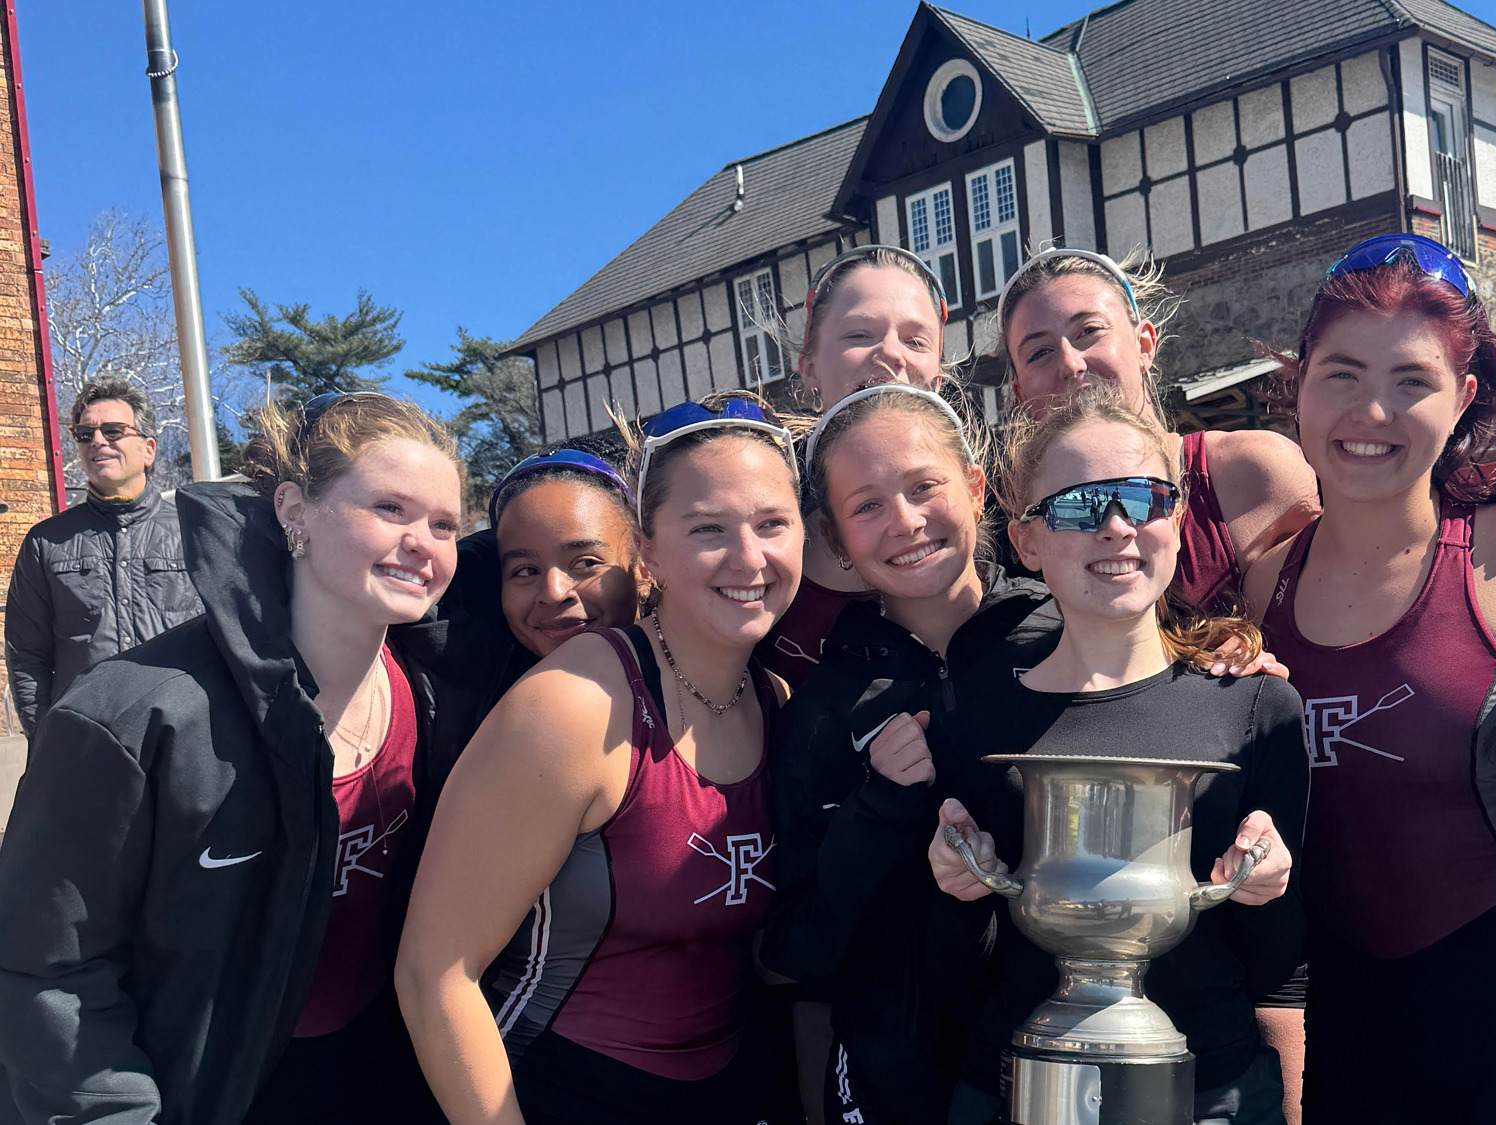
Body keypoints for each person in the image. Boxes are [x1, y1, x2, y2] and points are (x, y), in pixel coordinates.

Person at [0, 391, 462, 1124]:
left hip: (381, 1075)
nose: (424, 542)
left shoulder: (438, 694)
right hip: (203, 1093)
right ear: (294, 511)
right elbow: (47, 969)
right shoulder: (127, 715)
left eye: (444, 524)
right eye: (391, 509)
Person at [1240, 234, 1496, 1123]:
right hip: (1352, 1031)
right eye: (1344, 375)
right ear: (1302, 384)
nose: (1373, 412)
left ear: (1462, 397)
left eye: (1412, 383)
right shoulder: (1260, 581)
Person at [396, 395, 805, 1125]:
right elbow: (434, 974)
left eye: (772, 523)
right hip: (555, 1088)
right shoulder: (572, 704)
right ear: (647, 552)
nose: (749, 557)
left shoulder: (778, 701)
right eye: (707, 528)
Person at [928, 385, 1308, 1125]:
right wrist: (953, 888)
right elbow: (958, 972)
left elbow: (1281, 967)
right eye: (1077, 505)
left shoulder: (1258, 708)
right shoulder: (973, 721)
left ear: (1179, 516)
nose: (1116, 527)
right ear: (1028, 540)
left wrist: (1268, 884)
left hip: (1214, 1095)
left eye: (1144, 498)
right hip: (1015, 1091)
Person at [764, 383, 1061, 1124]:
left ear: (975, 485)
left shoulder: (1068, 634)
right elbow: (798, 947)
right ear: (833, 540)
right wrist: (879, 805)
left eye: (924, 486)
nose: (904, 520)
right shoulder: (825, 708)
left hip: (1065, 1057)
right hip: (898, 1081)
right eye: (866, 506)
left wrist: (1221, 655)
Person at [994, 248, 1496, 613]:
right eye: (1039, 351)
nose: (1071, 362)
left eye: (1089, 331)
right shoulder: (1012, 531)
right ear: (1018, 388)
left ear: (1145, 343)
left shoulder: (1251, 473)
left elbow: (1379, 540)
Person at [757, 245, 955, 688]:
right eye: (860, 335)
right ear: (808, 368)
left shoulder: (985, 515)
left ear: (938, 378)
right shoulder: (762, 527)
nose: (892, 354)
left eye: (915, 340)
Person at [5, 377, 202, 736]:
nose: (97, 441)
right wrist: (46, 740)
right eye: (85, 434)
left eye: (113, 431)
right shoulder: (46, 542)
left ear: (148, 449)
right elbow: (27, 656)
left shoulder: (194, 533)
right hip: (88, 744)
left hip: (182, 737)